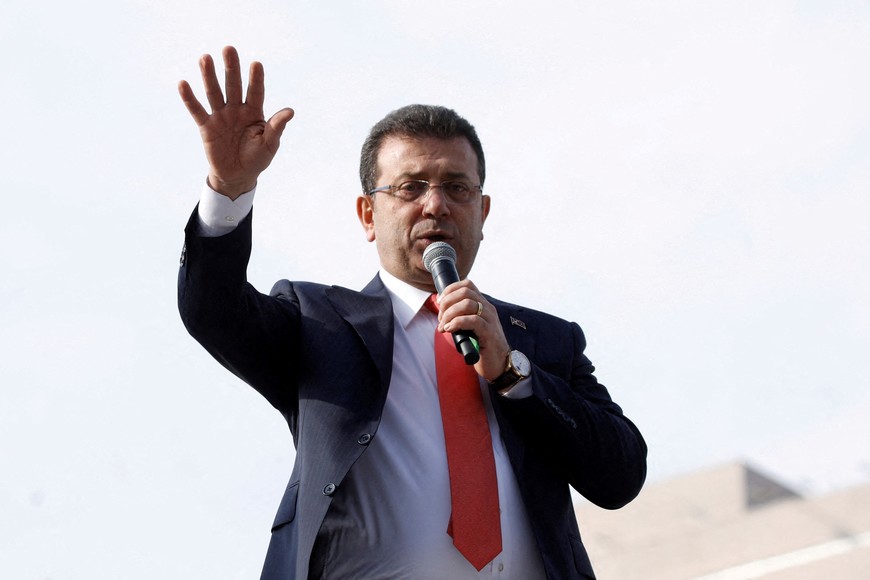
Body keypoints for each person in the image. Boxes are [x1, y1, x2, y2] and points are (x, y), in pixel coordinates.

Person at [177, 46, 646, 580]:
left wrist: (512, 374)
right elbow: (212, 310)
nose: (436, 205)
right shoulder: (319, 324)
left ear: (483, 212)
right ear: (368, 214)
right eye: (410, 187)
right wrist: (229, 190)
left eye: (457, 188)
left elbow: (621, 475)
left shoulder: (542, 340)